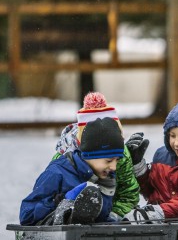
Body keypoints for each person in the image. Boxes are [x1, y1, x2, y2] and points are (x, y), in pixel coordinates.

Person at [20, 117, 125, 226]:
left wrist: (118, 224)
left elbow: (100, 218)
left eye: (117, 160)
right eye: (108, 161)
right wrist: (59, 201)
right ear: (90, 155)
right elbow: (27, 215)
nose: (114, 167)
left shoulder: (106, 179)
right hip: (53, 234)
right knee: (79, 202)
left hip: (87, 238)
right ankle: (68, 215)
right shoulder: (57, 173)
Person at [52, 92, 139, 220]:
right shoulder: (63, 160)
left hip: (110, 214)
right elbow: (43, 197)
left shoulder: (122, 156)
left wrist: (114, 215)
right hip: (72, 218)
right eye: (108, 160)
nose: (113, 166)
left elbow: (129, 194)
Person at [123, 100, 178, 222]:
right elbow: (150, 189)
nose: (176, 143)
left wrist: (156, 213)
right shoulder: (162, 156)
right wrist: (138, 167)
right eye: (172, 136)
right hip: (156, 226)